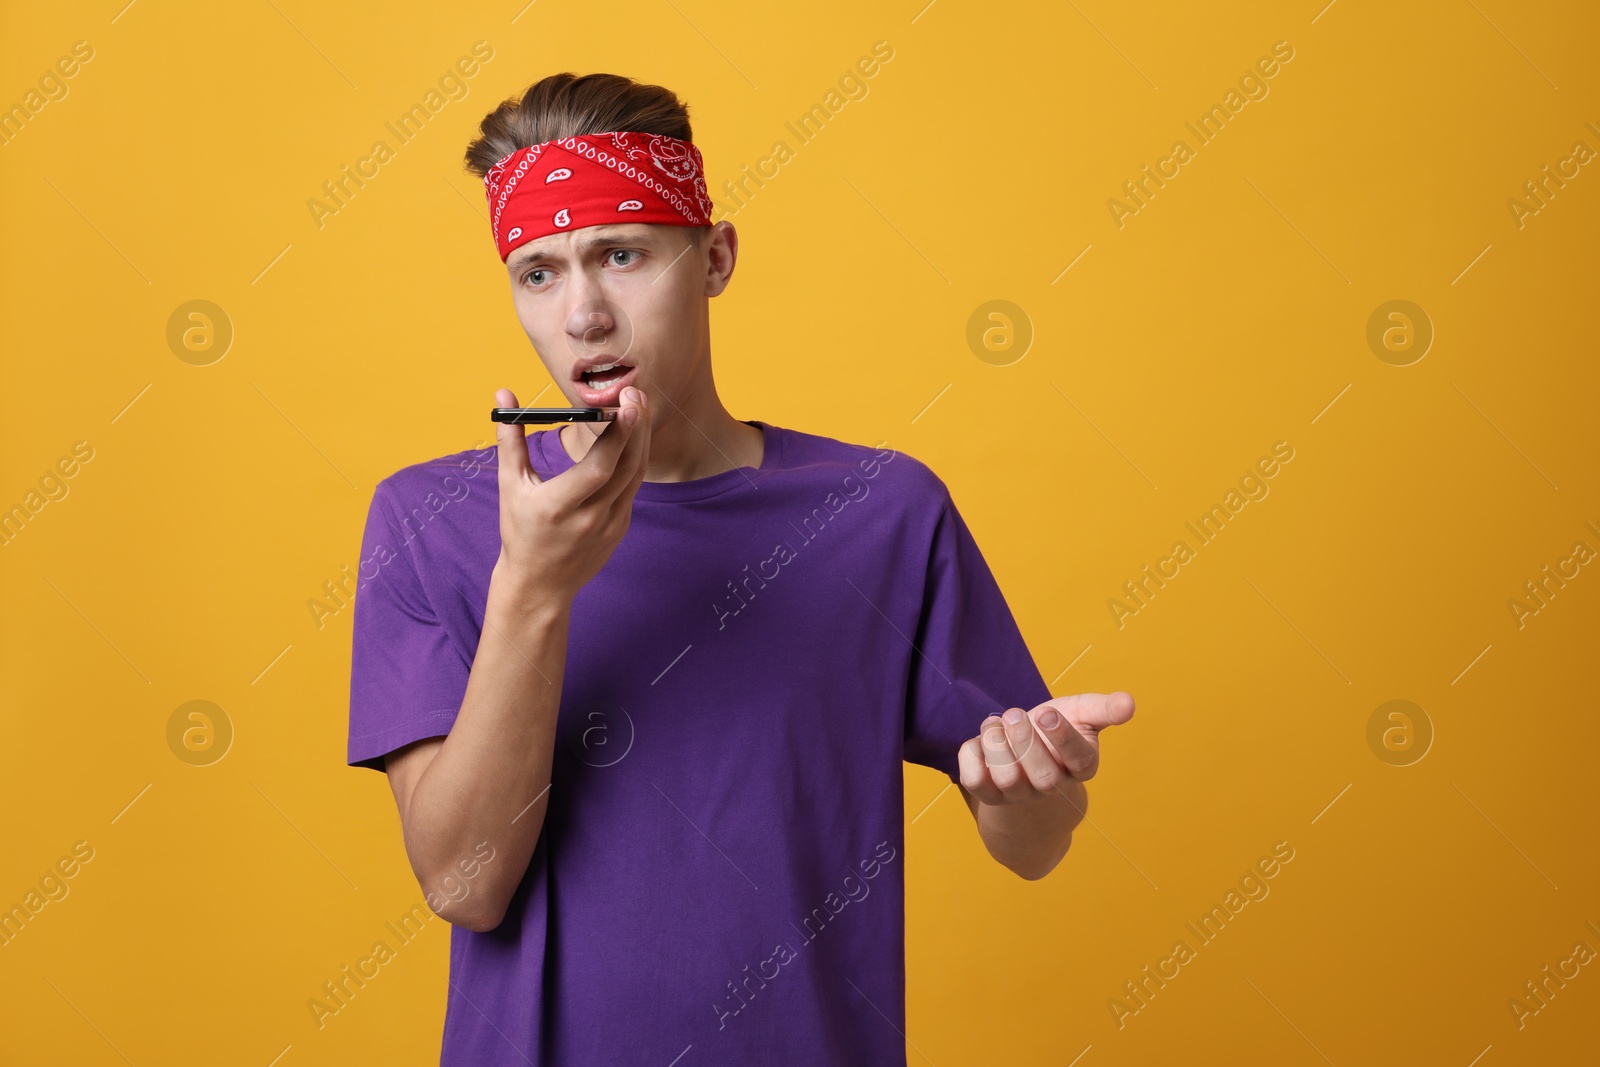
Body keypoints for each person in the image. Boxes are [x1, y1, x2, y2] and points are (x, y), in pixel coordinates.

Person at [347, 70, 1134, 1066]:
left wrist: (1035, 787)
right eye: (537, 271)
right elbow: (464, 884)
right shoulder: (429, 522)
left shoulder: (881, 511)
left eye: (620, 254)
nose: (582, 312)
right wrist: (534, 590)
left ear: (713, 258)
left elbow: (1034, 841)